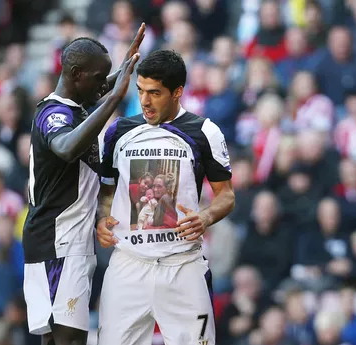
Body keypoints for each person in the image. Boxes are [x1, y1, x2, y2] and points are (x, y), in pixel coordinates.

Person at [96, 50, 235, 345]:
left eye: (155, 93)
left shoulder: (204, 132)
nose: (145, 101)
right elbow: (106, 190)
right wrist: (101, 218)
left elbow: (226, 195)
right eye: (141, 91)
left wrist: (206, 216)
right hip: (128, 265)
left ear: (177, 92)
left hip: (183, 266)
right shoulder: (119, 131)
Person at [22, 24, 145, 345]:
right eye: (97, 79)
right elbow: (66, 147)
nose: (103, 87)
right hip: (59, 242)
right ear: (76, 74)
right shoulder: (54, 114)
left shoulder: (74, 107)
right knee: (70, 340)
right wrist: (114, 97)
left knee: (55, 340)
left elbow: (97, 89)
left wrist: (123, 69)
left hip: (61, 240)